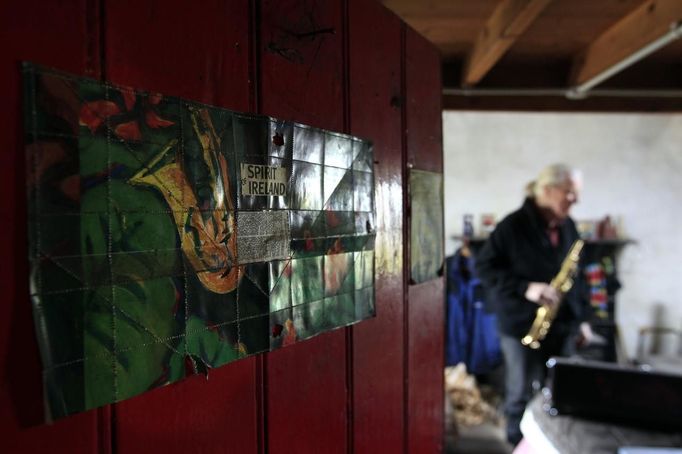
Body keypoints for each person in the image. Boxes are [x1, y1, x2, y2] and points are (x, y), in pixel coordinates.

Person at [475, 163, 595, 446]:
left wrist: (583, 320)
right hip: (520, 323)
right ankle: (516, 442)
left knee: (558, 389)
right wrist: (526, 288)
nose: (575, 200)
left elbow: (576, 279)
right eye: (569, 193)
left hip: (561, 324)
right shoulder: (512, 225)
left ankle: (551, 442)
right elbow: (484, 268)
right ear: (548, 190)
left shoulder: (569, 226)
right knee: (518, 389)